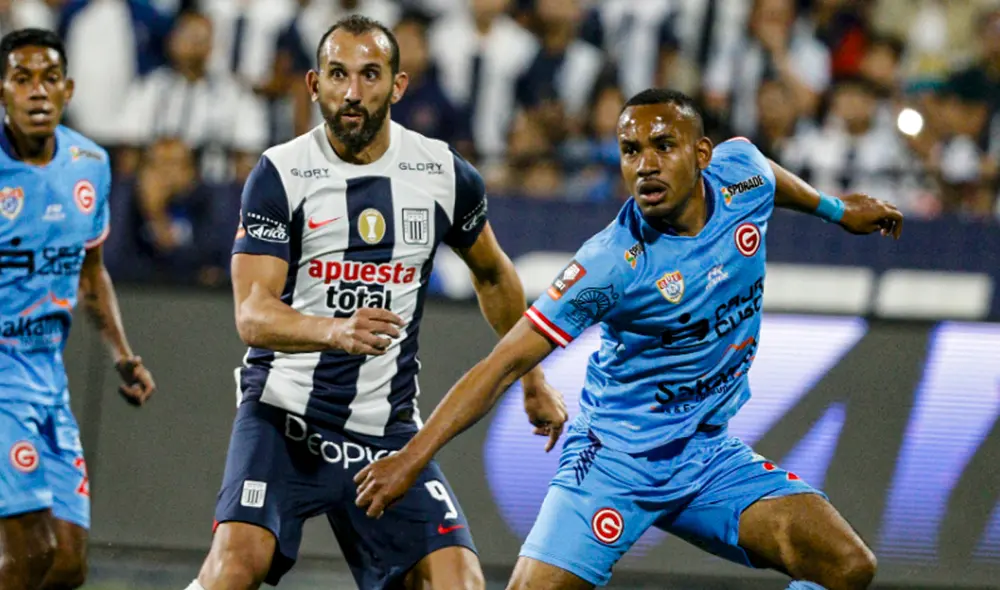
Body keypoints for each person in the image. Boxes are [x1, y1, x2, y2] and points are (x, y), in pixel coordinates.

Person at [355, 88, 904, 590]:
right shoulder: (611, 264)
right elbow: (500, 364)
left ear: (702, 154)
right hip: (613, 459)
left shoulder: (742, 175)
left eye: (664, 145)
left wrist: (836, 210)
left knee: (847, 566)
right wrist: (410, 459)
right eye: (630, 150)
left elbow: (767, 173)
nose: (645, 165)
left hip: (705, 454)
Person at [186, 15, 566, 590]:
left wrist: (532, 379)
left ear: (398, 85)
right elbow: (252, 314)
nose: (353, 92)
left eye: (370, 75)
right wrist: (334, 331)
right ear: (314, 85)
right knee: (235, 567)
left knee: (460, 582)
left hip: (386, 434)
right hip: (286, 422)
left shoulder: (441, 173)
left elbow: (493, 275)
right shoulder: (280, 174)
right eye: (338, 75)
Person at [0, 28, 156, 590]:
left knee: (68, 564)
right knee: (28, 550)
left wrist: (122, 354)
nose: (37, 92)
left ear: (68, 89)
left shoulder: (90, 164)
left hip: (49, 376)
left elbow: (91, 276)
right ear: (2, 92)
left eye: (48, 79)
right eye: (22, 79)